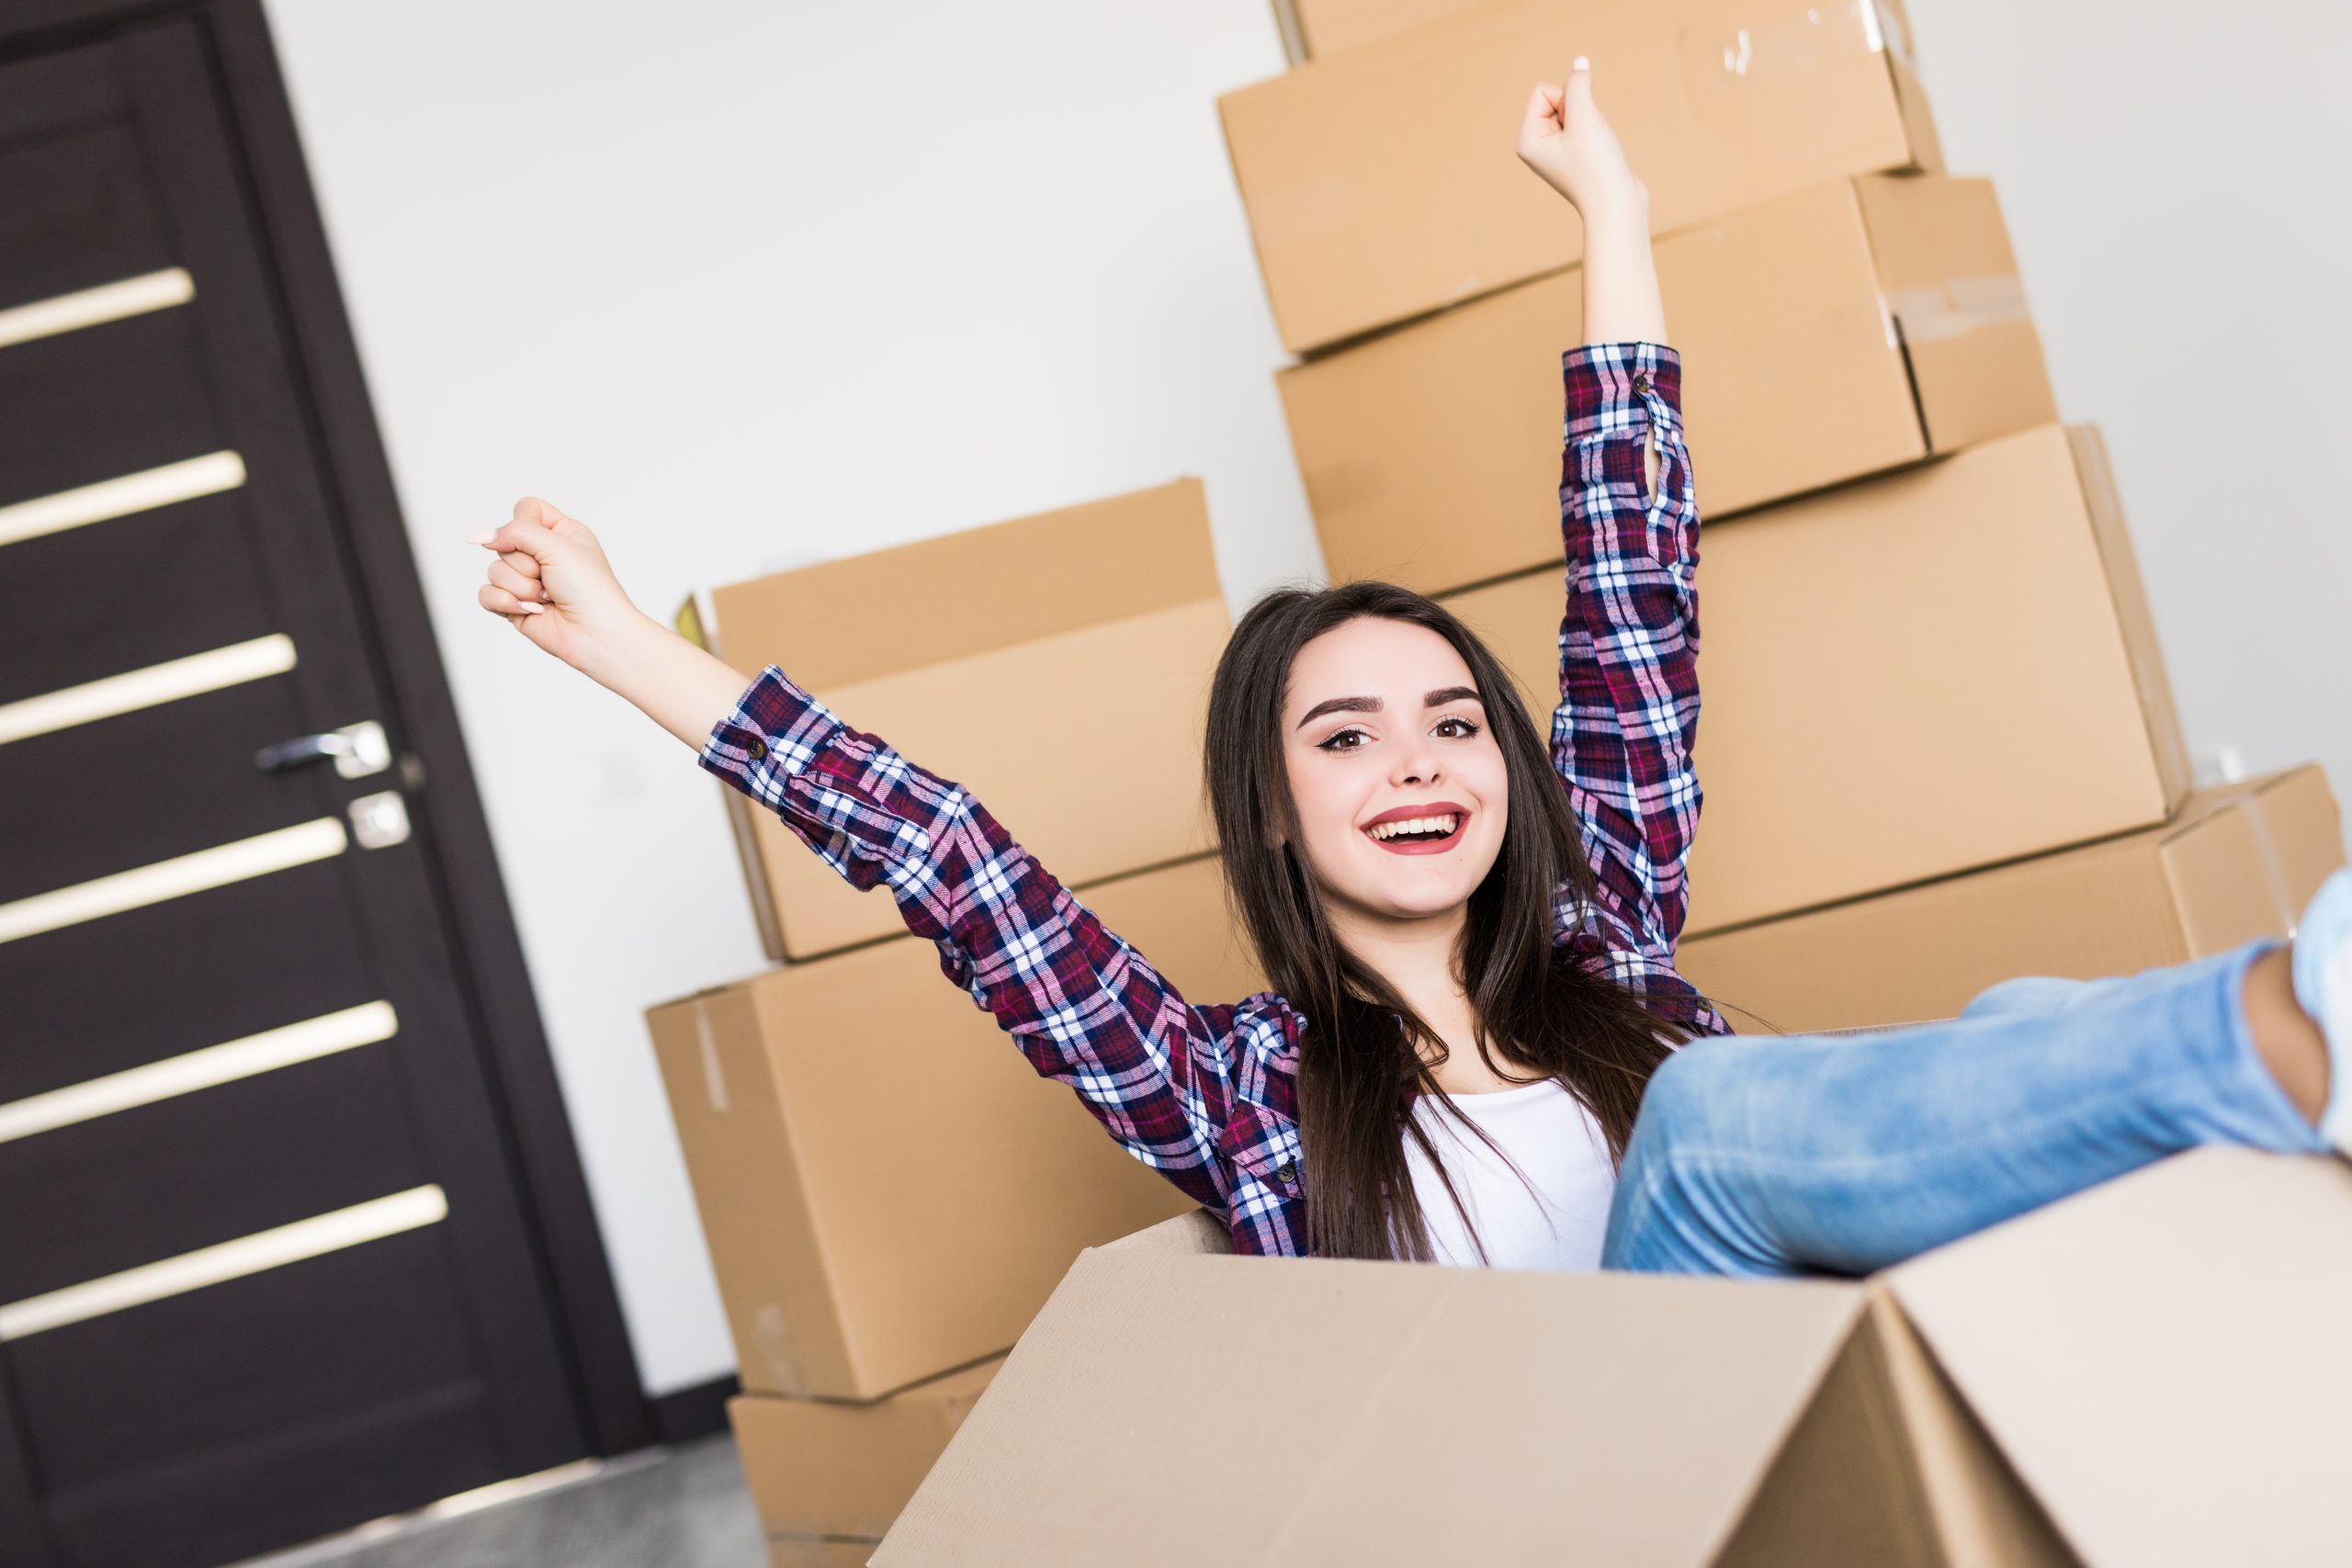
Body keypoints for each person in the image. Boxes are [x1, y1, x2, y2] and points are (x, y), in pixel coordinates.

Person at [471, 62, 2348, 1279]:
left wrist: (1610, 227)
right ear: (1275, 821)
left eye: (1454, 718)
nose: (1421, 758)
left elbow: (1632, 586)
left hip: (1820, 1373)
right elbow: (952, 861)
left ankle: (2282, 1079)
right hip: (1586, 1482)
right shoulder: (1229, 1094)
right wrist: (632, 644)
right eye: (1347, 733)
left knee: (2020, 1007)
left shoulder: (1602, 941)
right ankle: (2304, 1019)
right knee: (1703, 1118)